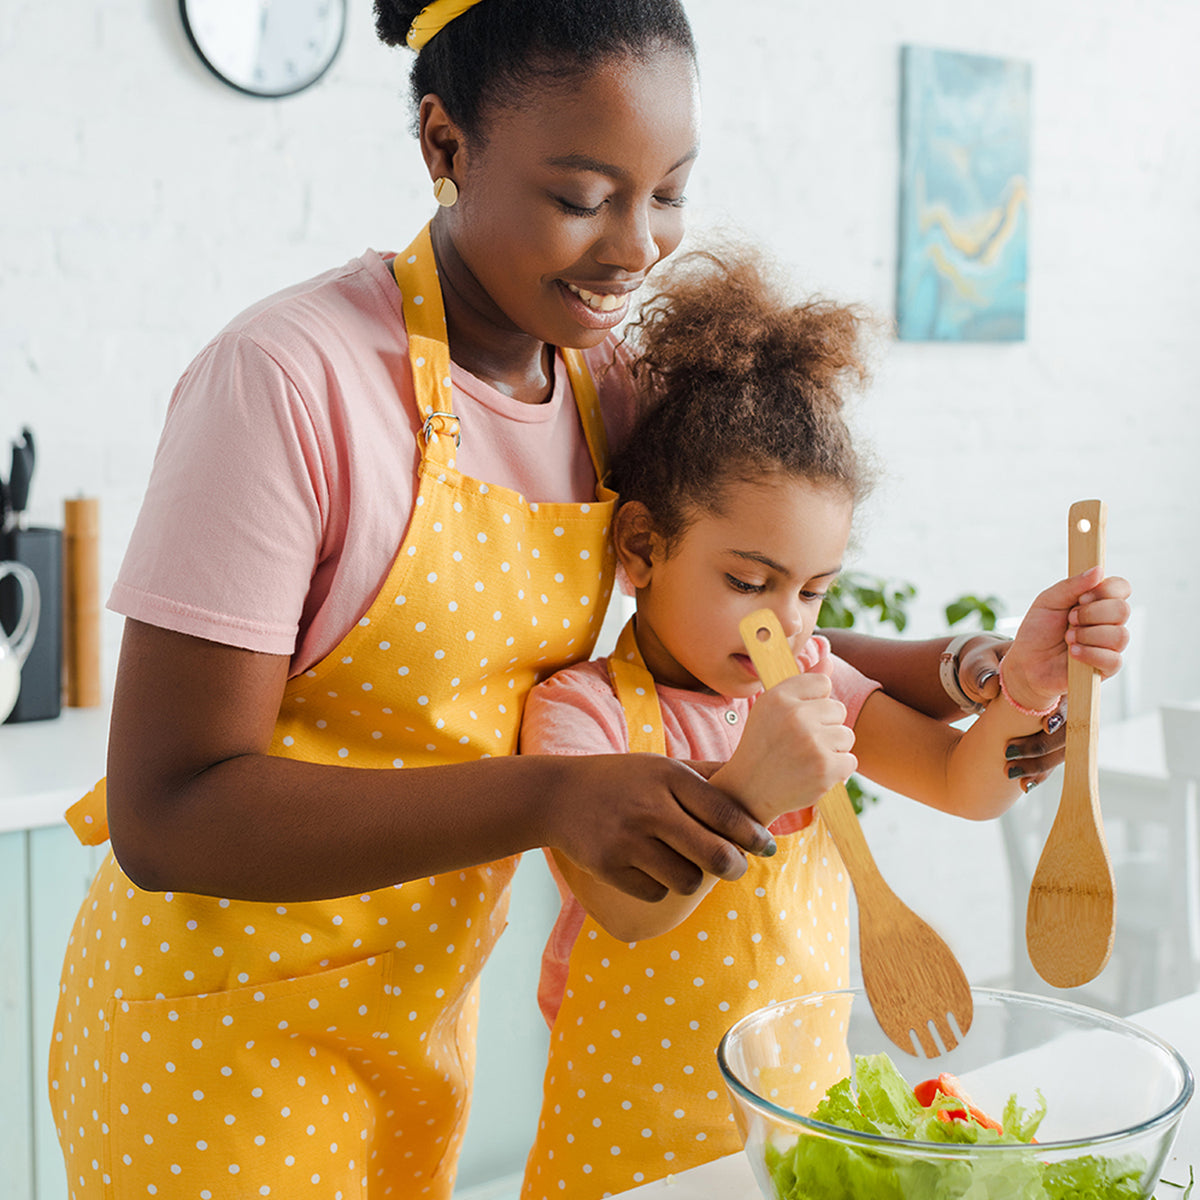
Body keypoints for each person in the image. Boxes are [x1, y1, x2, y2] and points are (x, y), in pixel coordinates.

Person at [47, 3, 1060, 1197]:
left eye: (668, 193)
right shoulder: (286, 381)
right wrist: (553, 795)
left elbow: (737, 609)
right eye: (583, 196)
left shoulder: (603, 387)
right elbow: (169, 811)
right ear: (446, 144)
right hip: (215, 1042)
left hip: (423, 1016)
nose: (637, 248)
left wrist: (960, 669)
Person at [518, 246, 1131, 1199]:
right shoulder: (577, 714)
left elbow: (961, 784)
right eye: (748, 582)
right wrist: (749, 788)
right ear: (642, 547)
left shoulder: (810, 679)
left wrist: (1027, 683)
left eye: (812, 591)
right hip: (625, 1158)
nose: (789, 624)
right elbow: (631, 913)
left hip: (797, 1141)